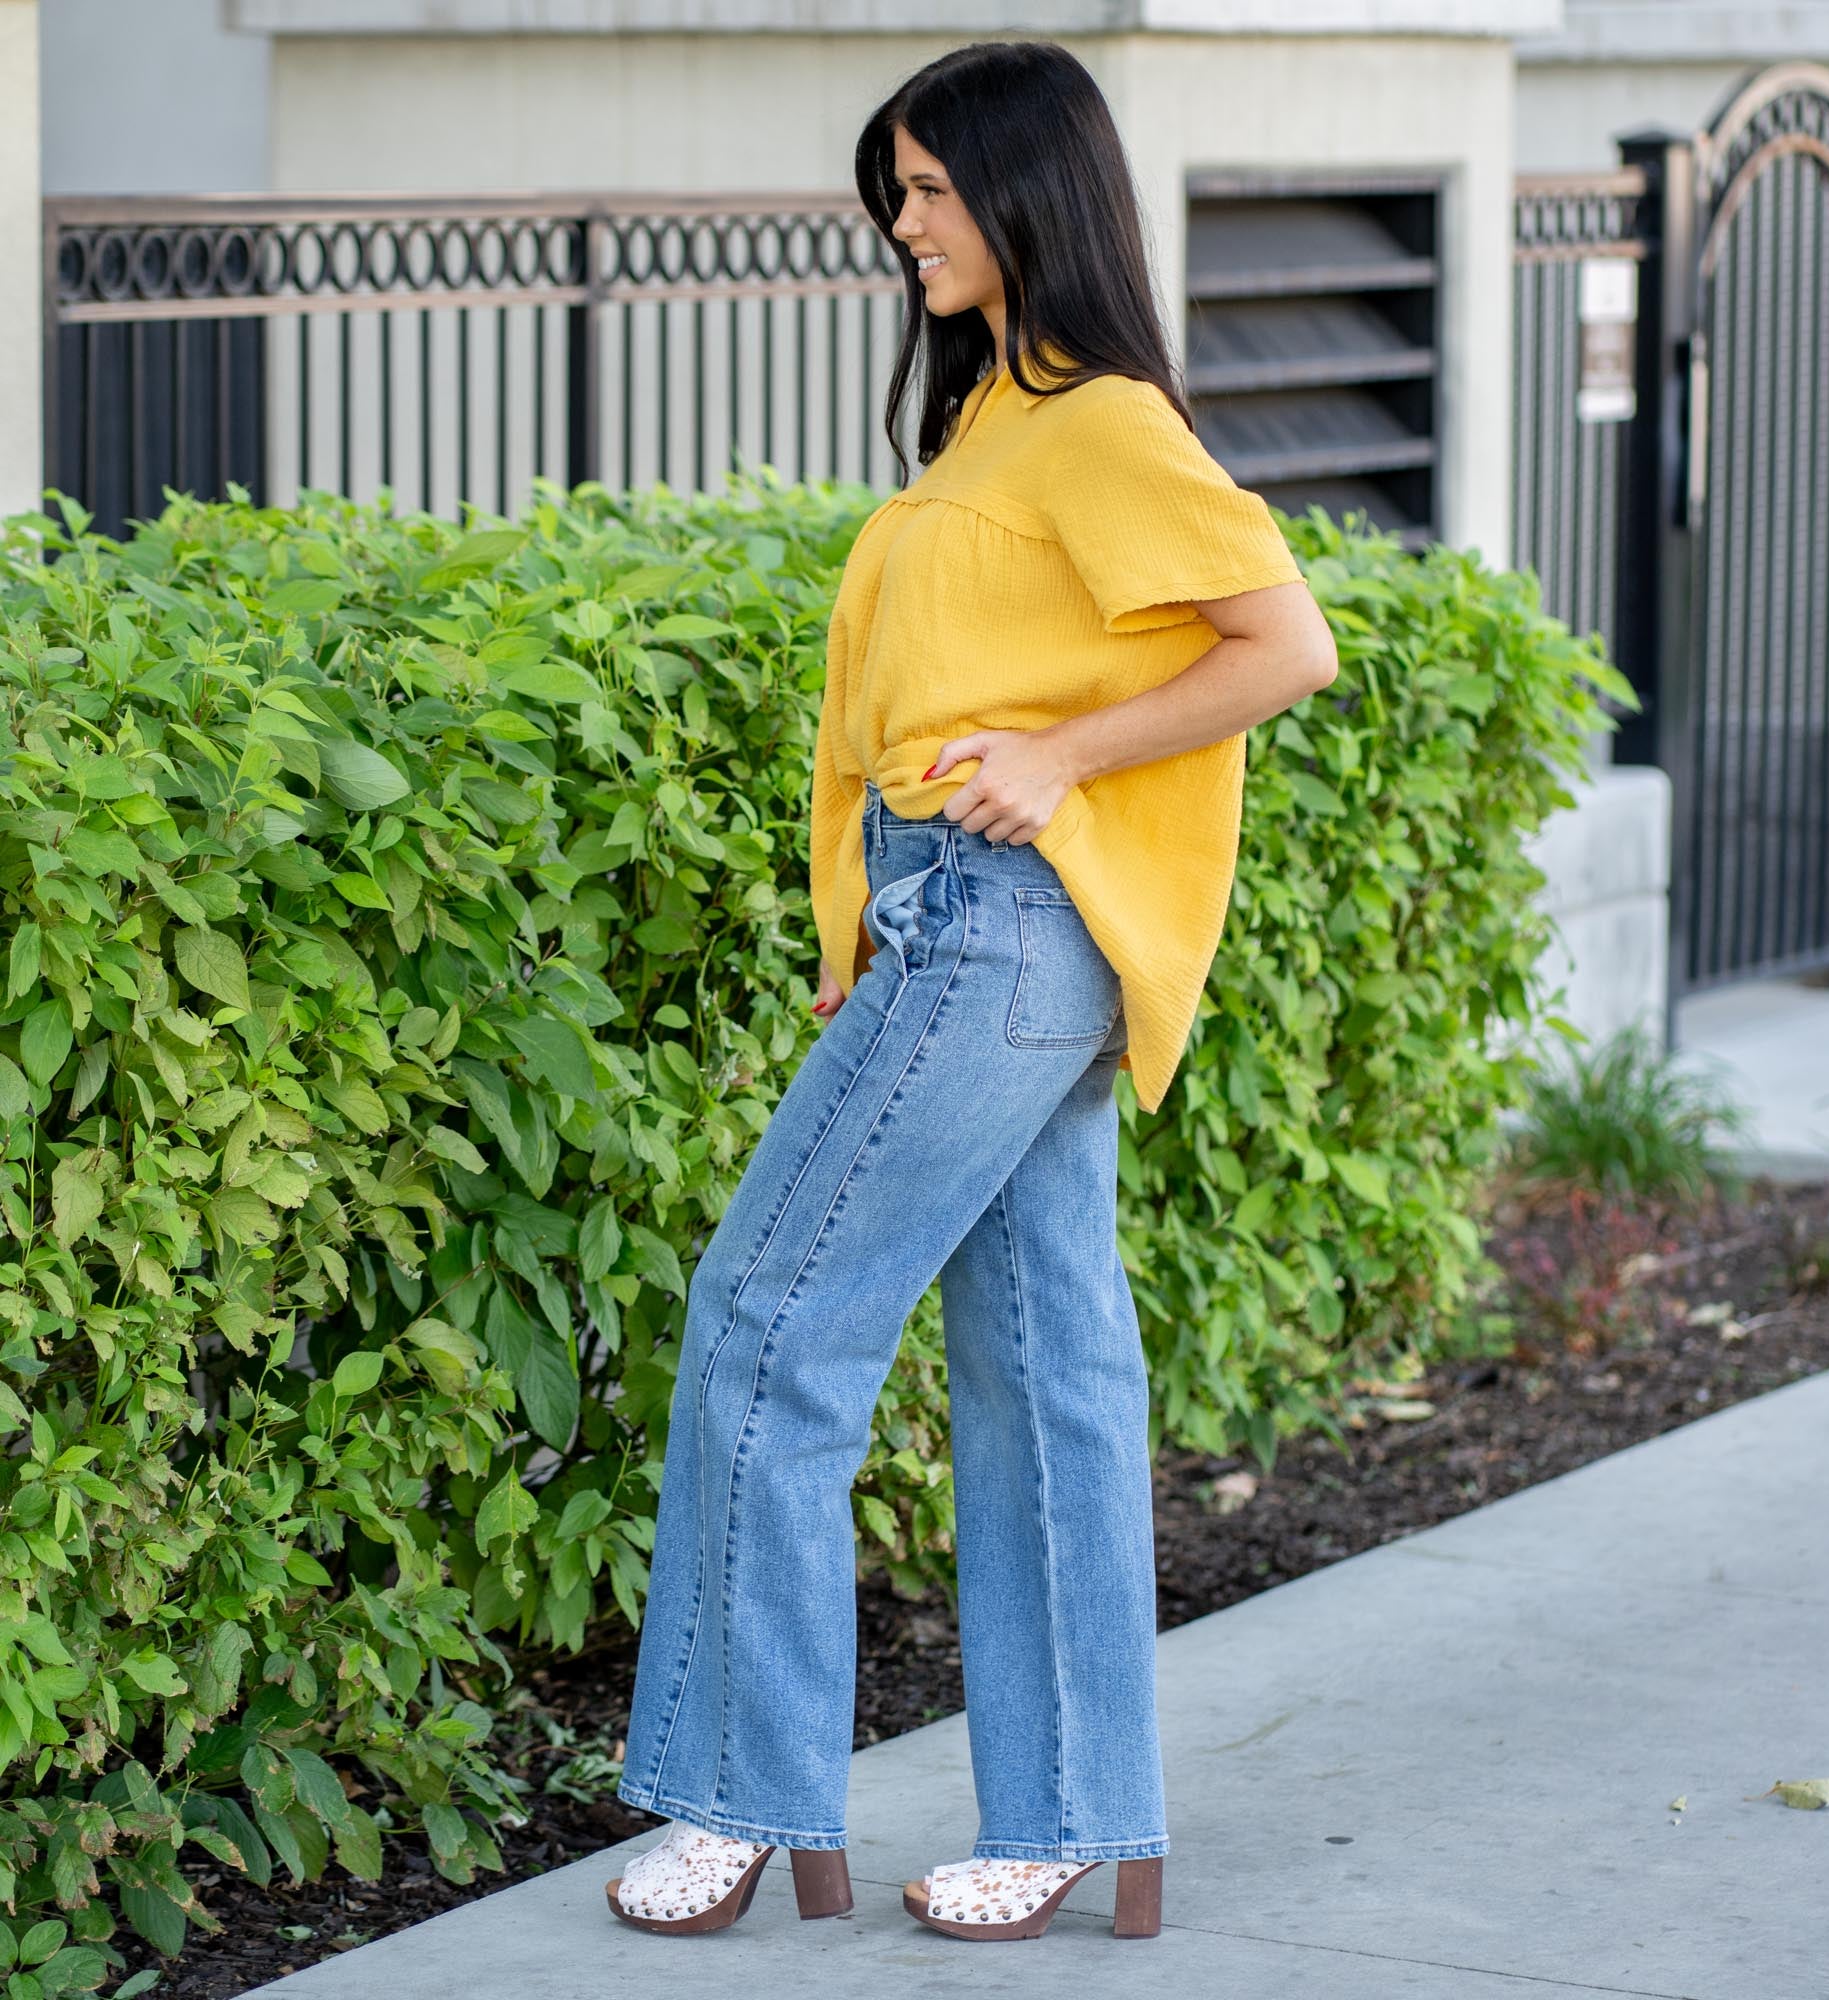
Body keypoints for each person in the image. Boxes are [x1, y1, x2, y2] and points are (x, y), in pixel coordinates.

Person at [605, 37, 1339, 1945]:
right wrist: (863, 932)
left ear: (1027, 195)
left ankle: (738, 1796)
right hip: (975, 934)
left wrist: (1064, 757)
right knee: (1042, 1372)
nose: (904, 225)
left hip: (1006, 927)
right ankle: (1078, 1818)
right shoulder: (999, 420)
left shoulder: (1099, 422)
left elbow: (1285, 645)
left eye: (932, 191)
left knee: (768, 1320)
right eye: (901, 192)